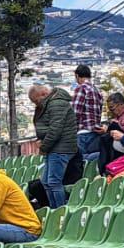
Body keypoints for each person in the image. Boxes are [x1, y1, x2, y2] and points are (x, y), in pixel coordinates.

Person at [30, 81, 78, 209]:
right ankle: (53, 208)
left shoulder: (57, 103)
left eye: (36, 101)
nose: (37, 104)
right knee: (46, 181)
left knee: (53, 182)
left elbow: (55, 129)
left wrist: (44, 146)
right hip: (55, 147)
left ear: (43, 94)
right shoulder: (52, 103)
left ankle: (60, 210)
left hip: (61, 147)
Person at [72, 65, 104, 171]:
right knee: (92, 167)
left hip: (82, 133)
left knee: (82, 162)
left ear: (77, 76)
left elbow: (75, 112)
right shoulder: (96, 91)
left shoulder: (81, 89)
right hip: (95, 131)